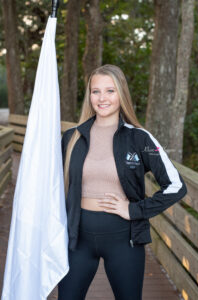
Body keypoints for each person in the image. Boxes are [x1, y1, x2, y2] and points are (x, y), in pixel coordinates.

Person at [57, 64, 187, 300]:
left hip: (123, 239)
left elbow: (176, 185)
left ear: (121, 94)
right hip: (78, 238)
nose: (102, 98)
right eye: (95, 91)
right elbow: (51, 185)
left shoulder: (139, 138)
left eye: (110, 91)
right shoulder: (71, 137)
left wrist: (134, 209)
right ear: (89, 95)